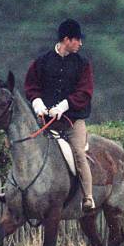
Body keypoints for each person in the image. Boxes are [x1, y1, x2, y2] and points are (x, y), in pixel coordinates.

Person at [24, 19, 95, 211]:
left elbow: (85, 92)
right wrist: (37, 102)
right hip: (47, 122)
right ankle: (11, 190)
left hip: (72, 122)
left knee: (79, 153)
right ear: (66, 39)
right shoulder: (42, 62)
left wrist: (64, 106)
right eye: (77, 40)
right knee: (26, 148)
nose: (80, 44)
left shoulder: (82, 64)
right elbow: (31, 86)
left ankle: (88, 197)